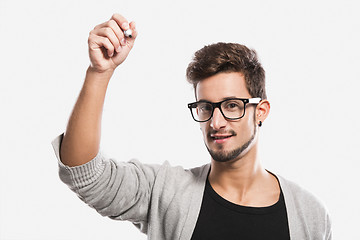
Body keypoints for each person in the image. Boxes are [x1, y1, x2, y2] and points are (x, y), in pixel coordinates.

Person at [52, 13, 332, 240]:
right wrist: (99, 74)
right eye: (206, 107)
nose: (216, 122)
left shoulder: (310, 216)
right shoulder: (166, 193)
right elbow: (86, 176)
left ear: (261, 111)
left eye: (232, 105)